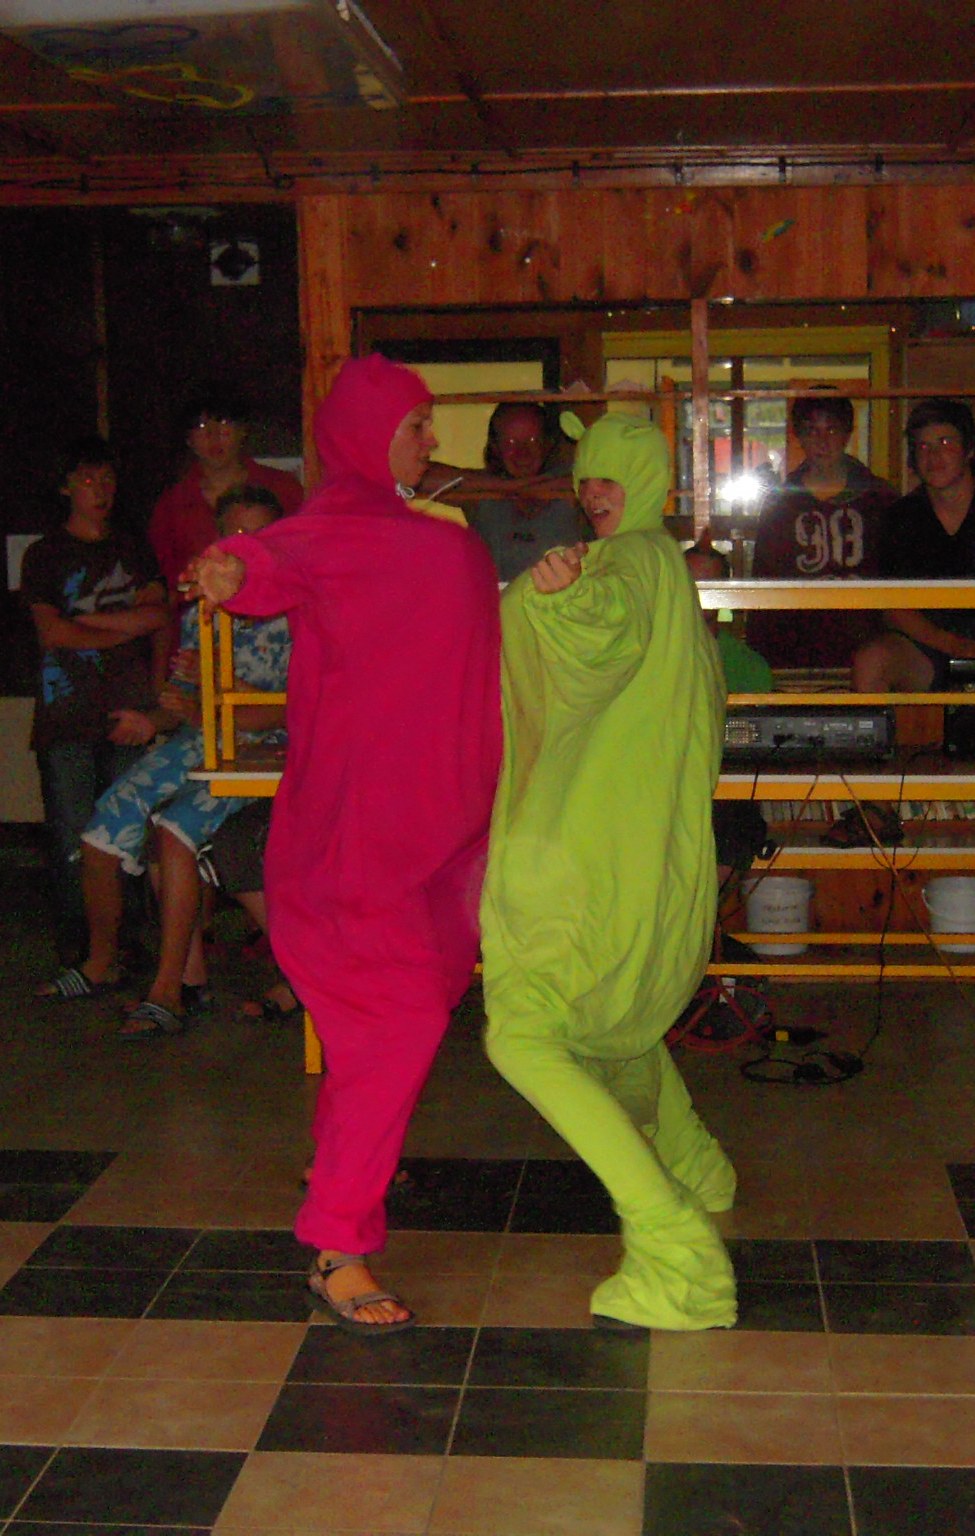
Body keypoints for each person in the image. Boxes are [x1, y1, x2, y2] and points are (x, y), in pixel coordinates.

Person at [184, 352, 502, 1332]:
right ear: (365, 435)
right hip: (353, 843)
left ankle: (340, 1178)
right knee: (396, 1028)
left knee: (391, 1032)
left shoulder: (441, 539)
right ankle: (337, 1245)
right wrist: (227, 570)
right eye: (415, 426)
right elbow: (264, 565)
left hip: (444, 839)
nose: (431, 441)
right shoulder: (328, 532)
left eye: (428, 423)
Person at [479, 409, 737, 1333]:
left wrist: (552, 602)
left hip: (585, 853)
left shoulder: (627, 563)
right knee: (613, 1025)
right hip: (634, 852)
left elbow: (599, 640)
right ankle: (697, 1166)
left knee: (524, 1035)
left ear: (647, 481)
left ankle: (674, 1253)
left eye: (610, 476)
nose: (592, 492)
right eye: (584, 476)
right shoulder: (661, 562)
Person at [36, 486, 291, 1037]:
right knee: (102, 829)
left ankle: (169, 989)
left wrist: (215, 695)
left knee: (175, 830)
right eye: (236, 534)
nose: (248, 545)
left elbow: (292, 707)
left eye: (261, 534)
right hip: (201, 738)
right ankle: (102, 962)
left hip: (262, 748)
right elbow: (187, 701)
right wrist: (157, 718)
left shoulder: (296, 609)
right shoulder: (206, 607)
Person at [20, 435, 169, 965]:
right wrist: (122, 627)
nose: (101, 490)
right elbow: (53, 633)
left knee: (128, 832)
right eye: (88, 480)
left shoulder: (132, 546)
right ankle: (78, 946)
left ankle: (127, 943)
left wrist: (91, 623)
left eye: (107, 479)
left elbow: (157, 615)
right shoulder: (44, 554)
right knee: (71, 837)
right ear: (66, 487)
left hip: (128, 707)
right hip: (66, 714)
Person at [149, 385, 304, 656]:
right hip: (201, 635)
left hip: (275, 634)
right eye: (201, 426)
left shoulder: (284, 489)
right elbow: (165, 584)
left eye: (223, 422)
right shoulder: (172, 504)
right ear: (188, 439)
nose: (213, 435)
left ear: (243, 430)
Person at [748, 393, 897, 669]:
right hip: (795, 648)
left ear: (847, 434)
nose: (822, 441)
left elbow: (897, 578)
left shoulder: (878, 498)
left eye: (831, 429)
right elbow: (765, 580)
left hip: (867, 647)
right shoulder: (782, 503)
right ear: (799, 437)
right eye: (812, 430)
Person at [852, 398, 975, 691]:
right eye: (923, 446)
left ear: (969, 449)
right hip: (927, 645)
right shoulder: (900, 517)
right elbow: (892, 605)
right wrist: (951, 644)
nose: (934, 456)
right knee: (872, 661)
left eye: (945, 442)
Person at [424, 402, 586, 582]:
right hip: (496, 598)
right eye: (510, 442)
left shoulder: (573, 489)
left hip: (565, 597)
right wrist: (510, 486)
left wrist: (525, 486)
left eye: (532, 441)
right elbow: (417, 475)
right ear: (495, 447)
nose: (522, 453)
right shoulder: (481, 493)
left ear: (548, 443)